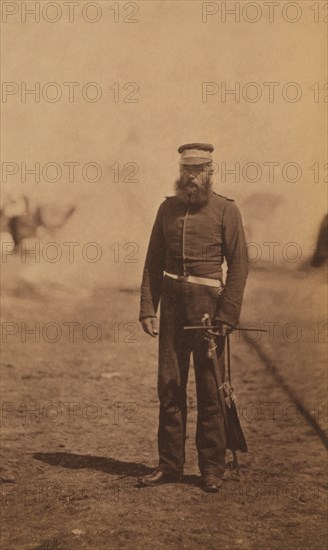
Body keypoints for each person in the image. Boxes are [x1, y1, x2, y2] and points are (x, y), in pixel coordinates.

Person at [138, 143, 249, 492]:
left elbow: (240, 265)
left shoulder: (226, 210)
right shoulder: (167, 209)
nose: (191, 177)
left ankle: (211, 469)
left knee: (210, 391)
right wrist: (147, 309)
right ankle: (169, 464)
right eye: (186, 170)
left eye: (198, 170)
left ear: (210, 172)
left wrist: (227, 314)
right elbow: (153, 262)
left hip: (208, 310)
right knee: (170, 387)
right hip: (171, 308)